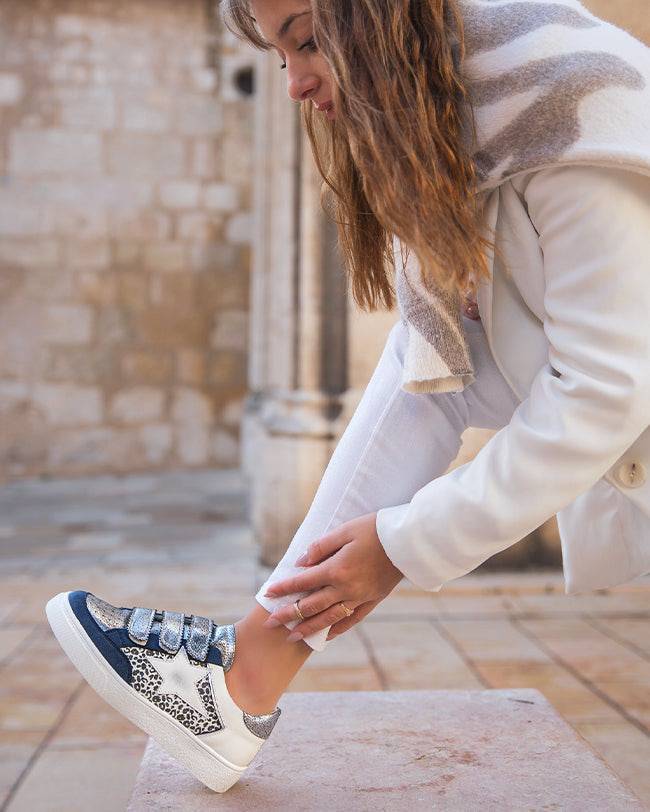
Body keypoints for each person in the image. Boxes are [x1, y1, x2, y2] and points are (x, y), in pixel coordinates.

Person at [45, 0, 650, 794]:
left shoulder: (564, 99)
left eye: (306, 39)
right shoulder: (462, 126)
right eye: (278, 55)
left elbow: (608, 387)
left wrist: (406, 544)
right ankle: (236, 690)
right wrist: (275, 627)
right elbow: (431, 379)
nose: (295, 83)